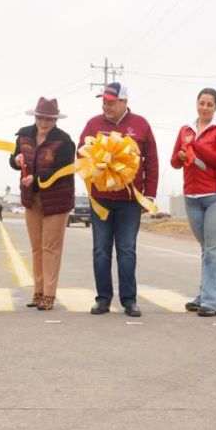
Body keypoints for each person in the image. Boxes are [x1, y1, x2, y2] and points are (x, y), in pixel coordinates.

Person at [78, 82, 159, 318]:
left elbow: (151, 162)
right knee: (101, 250)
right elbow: (80, 154)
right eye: (103, 101)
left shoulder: (141, 125)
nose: (106, 106)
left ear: (124, 102)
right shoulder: (93, 124)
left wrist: (149, 194)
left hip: (130, 200)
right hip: (100, 199)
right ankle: (103, 299)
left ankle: (129, 300)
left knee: (127, 250)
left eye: (111, 102)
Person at [171, 88, 216, 318]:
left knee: (213, 248)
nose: (205, 108)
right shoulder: (185, 129)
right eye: (202, 103)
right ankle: (204, 294)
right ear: (196, 104)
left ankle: (213, 301)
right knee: (205, 249)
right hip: (193, 196)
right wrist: (181, 154)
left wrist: (195, 145)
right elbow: (174, 162)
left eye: (210, 104)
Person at [10, 97, 75, 311]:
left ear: (55, 119)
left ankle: (49, 294)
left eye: (48, 119)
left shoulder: (64, 141)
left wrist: (36, 179)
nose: (43, 122)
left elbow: (62, 173)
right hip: (32, 198)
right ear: (35, 116)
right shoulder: (24, 135)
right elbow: (14, 160)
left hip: (56, 199)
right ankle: (37, 292)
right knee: (36, 247)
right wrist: (16, 160)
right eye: (40, 118)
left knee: (51, 248)